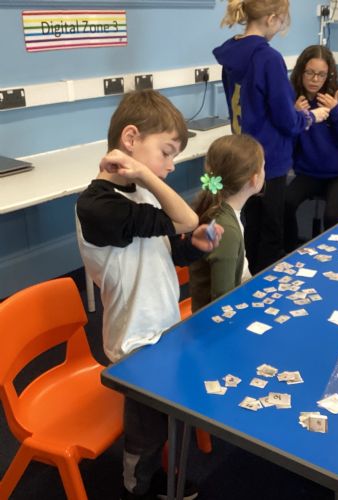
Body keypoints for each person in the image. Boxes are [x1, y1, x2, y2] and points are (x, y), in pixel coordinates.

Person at [75, 89, 222, 500]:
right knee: (146, 429)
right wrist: (147, 175)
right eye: (167, 153)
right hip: (134, 337)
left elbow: (168, 246)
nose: (171, 165)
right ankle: (136, 486)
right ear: (131, 139)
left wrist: (194, 247)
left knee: (164, 413)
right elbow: (186, 218)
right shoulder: (96, 206)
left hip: (162, 323)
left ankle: (156, 475)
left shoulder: (139, 193)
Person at [213, 0, 329, 274]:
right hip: (269, 162)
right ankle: (264, 286)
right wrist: (312, 116)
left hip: (244, 154)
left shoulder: (232, 53)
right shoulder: (268, 58)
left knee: (251, 226)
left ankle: (248, 281)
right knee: (270, 232)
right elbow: (286, 120)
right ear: (272, 18)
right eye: (282, 21)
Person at [284, 45, 338, 252]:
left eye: (321, 74)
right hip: (308, 173)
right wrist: (295, 116)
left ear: (329, 75)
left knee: (332, 217)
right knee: (286, 204)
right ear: (301, 72)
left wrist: (336, 112)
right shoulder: (294, 100)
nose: (315, 79)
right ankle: (289, 252)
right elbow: (286, 143)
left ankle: (329, 256)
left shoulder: (337, 101)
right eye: (310, 73)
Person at [189, 134, 265, 312]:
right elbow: (222, 301)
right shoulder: (226, 229)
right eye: (263, 166)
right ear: (254, 179)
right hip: (217, 320)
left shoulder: (224, 211)